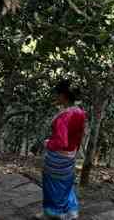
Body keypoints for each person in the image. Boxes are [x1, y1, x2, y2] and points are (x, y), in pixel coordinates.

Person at [36, 80, 86, 220]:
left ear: (63, 96)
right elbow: (80, 134)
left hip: (57, 156)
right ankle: (71, 210)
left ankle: (53, 213)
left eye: (57, 94)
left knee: (52, 184)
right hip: (70, 155)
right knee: (66, 183)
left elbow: (61, 142)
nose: (55, 97)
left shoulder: (64, 116)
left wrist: (48, 143)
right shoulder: (80, 112)